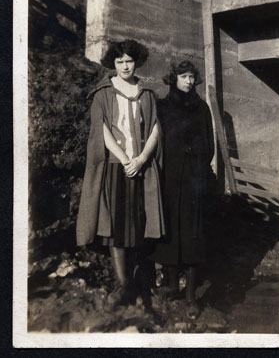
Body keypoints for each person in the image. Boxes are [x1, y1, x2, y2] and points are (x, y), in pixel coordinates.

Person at [76, 39, 165, 306]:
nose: (125, 66)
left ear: (136, 62)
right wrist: (126, 158)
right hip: (116, 166)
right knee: (116, 225)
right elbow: (101, 128)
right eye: (119, 61)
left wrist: (141, 159)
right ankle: (123, 284)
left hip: (140, 166)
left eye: (129, 61)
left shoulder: (147, 93)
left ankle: (137, 282)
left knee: (138, 223)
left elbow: (156, 129)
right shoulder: (104, 92)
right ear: (112, 64)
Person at [150, 60, 215, 319]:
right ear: (174, 78)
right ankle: (171, 285)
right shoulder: (162, 107)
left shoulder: (201, 108)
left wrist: (196, 161)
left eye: (192, 77)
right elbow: (156, 140)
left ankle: (190, 296)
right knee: (170, 229)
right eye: (184, 76)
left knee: (191, 230)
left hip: (193, 179)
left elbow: (209, 144)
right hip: (168, 177)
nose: (189, 81)